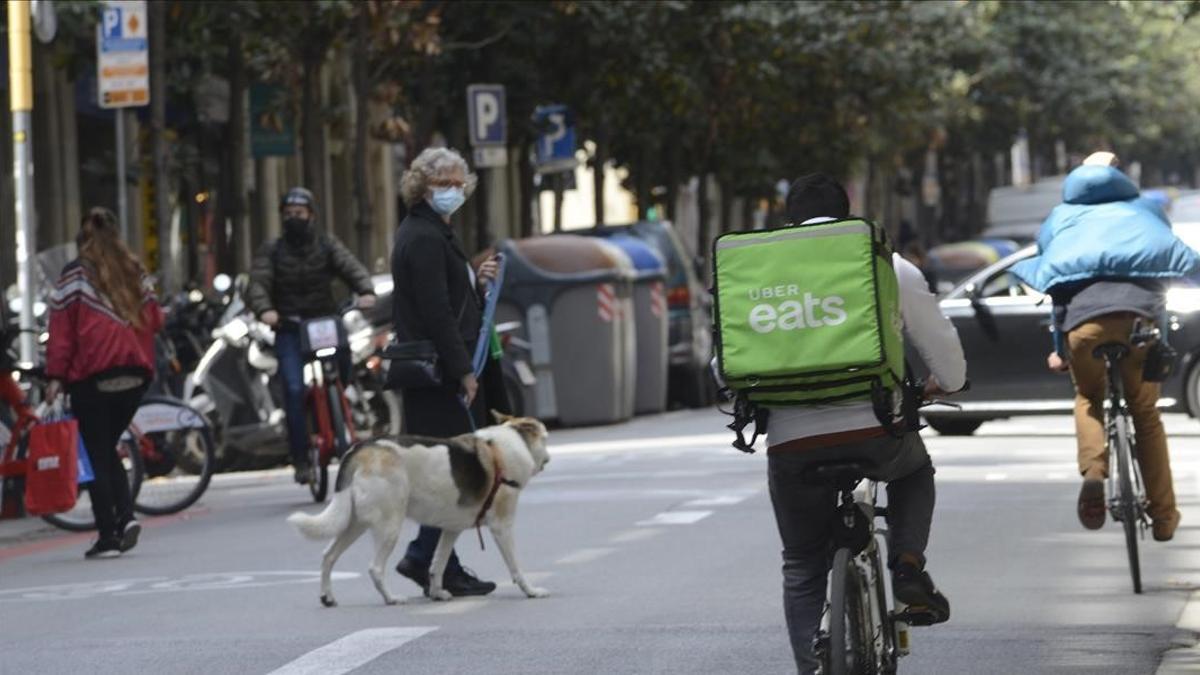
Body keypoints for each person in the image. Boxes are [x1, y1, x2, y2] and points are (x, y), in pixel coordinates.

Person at [766, 174, 966, 673]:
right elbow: (945, 357)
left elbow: (725, 369)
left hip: (792, 442)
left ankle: (812, 665)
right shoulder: (888, 265)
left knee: (802, 562)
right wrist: (949, 382)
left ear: (790, 222)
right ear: (848, 213)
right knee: (915, 471)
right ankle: (906, 564)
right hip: (878, 430)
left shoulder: (763, 272)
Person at [1013, 152, 1197, 542]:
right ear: (1119, 177)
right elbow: (1162, 277)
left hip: (1083, 326)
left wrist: (1059, 349)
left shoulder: (1060, 219)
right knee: (1145, 414)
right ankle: (1163, 517)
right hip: (1138, 324)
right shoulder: (1145, 209)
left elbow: (1056, 292)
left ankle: (1095, 472)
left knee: (1088, 398)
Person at [389, 146, 509, 598]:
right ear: (423, 186)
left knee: (450, 471)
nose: (454, 192)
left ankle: (432, 560)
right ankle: (426, 559)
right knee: (453, 470)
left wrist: (476, 281)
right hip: (436, 374)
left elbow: (449, 299)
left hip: (439, 369)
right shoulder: (421, 237)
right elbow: (436, 311)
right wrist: (463, 370)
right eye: (445, 184)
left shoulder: (435, 232)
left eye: (460, 184)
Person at [45, 207, 164, 559]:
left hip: (92, 378)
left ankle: (109, 534)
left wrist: (55, 375)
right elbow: (155, 318)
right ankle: (125, 519)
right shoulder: (134, 271)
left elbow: (62, 334)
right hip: (135, 377)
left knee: (97, 454)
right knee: (105, 448)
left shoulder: (74, 276)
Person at [247, 187, 377, 484]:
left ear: (312, 216)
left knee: (344, 365)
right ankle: (301, 457)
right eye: (289, 214)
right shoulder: (272, 250)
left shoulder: (326, 244)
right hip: (290, 329)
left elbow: (351, 267)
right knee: (292, 390)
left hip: (325, 323)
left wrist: (365, 291)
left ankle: (336, 400)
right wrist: (266, 310)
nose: (294, 219)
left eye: (300, 214)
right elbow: (258, 284)